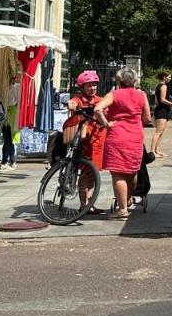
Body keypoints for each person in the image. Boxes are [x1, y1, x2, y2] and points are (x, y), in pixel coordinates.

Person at [93, 66, 152, 221]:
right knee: (132, 171)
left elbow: (97, 109)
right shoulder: (142, 95)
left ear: (119, 80)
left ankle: (122, 209)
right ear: (135, 80)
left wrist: (106, 124)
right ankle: (128, 200)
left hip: (117, 136)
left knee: (118, 173)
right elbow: (147, 118)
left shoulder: (114, 94)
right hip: (135, 136)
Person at [65, 70, 107, 208]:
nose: (92, 88)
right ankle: (84, 205)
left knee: (93, 175)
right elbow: (72, 102)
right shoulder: (79, 99)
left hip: (98, 142)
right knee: (85, 174)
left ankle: (89, 203)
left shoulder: (100, 101)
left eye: (94, 85)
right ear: (82, 87)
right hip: (84, 143)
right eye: (89, 85)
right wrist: (70, 104)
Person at [150, 71, 172, 158]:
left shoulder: (160, 85)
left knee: (161, 132)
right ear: (164, 77)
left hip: (163, 110)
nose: (170, 79)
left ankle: (157, 150)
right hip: (161, 111)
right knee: (158, 132)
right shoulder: (163, 86)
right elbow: (162, 100)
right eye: (169, 77)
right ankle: (152, 151)